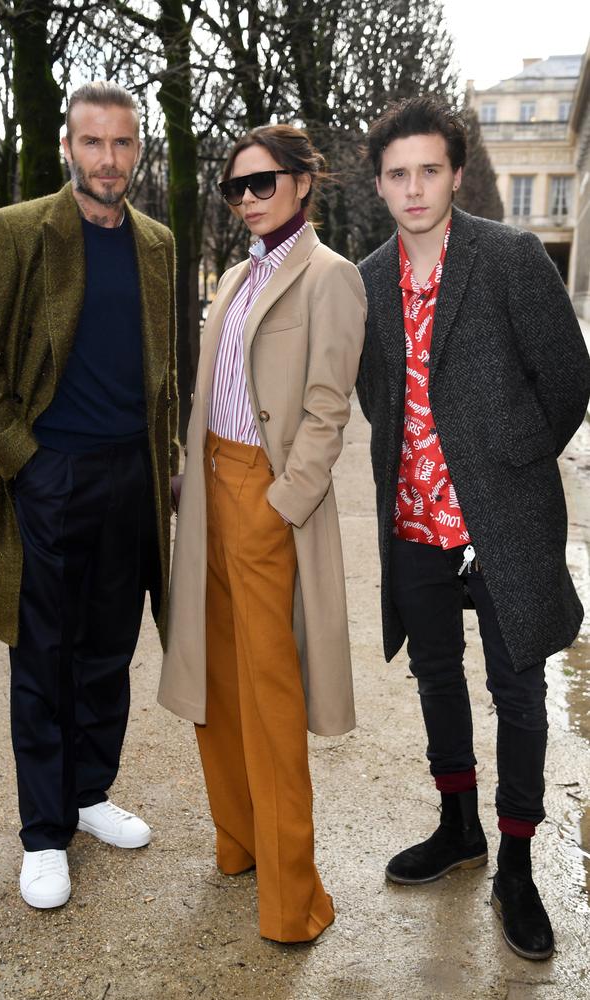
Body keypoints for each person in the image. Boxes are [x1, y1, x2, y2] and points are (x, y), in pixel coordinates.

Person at [356, 96, 590, 961]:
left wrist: (509, 459)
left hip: (503, 521)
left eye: (429, 170)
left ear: (455, 173)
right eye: (397, 173)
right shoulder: (369, 275)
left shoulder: (510, 255)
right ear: (379, 184)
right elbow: (376, 393)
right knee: (434, 675)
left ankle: (519, 865)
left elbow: (570, 379)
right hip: (413, 521)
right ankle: (459, 825)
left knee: (520, 693)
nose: (414, 188)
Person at [0, 82, 178, 909]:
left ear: (136, 150)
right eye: (93, 143)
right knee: (42, 655)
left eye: (122, 144)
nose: (108, 160)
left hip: (130, 477)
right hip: (49, 475)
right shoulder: (16, 231)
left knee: (109, 649)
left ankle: (87, 794)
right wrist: (26, 460)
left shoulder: (157, 243)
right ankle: (43, 833)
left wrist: (168, 457)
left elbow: (163, 371)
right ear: (69, 148)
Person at [159, 125, 366, 942]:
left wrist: (282, 504)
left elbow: (326, 409)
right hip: (208, 494)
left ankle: (292, 903)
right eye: (235, 187)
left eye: (263, 182)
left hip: (266, 500)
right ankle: (237, 845)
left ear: (304, 182)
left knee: (271, 702)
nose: (247, 198)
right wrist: (188, 469)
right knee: (216, 688)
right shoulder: (240, 276)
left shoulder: (330, 277)